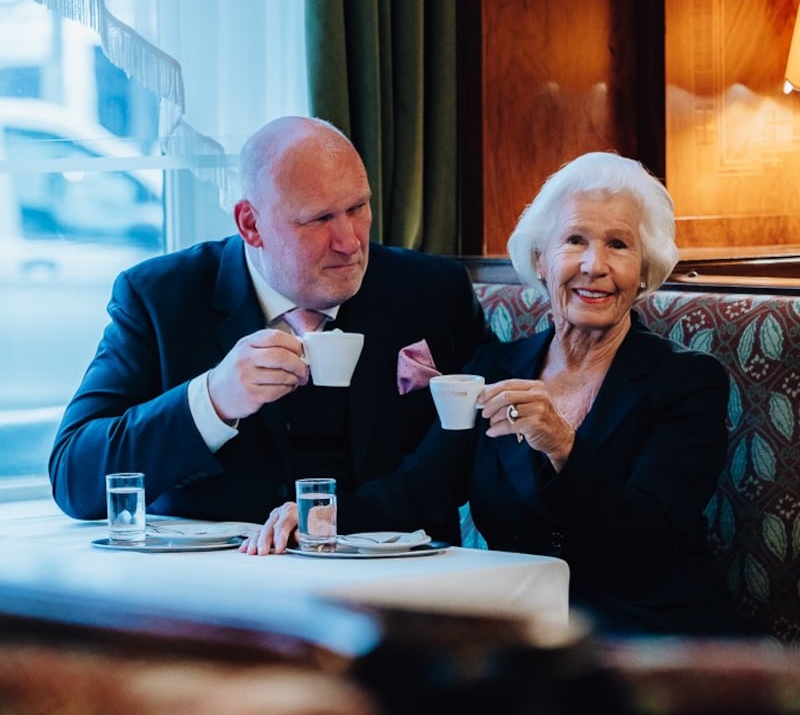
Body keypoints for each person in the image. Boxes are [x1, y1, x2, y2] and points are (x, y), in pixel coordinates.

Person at [244, 150, 739, 636]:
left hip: (651, 635)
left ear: (645, 270)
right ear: (541, 260)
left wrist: (563, 446)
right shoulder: (492, 370)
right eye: (574, 240)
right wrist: (320, 514)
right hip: (523, 629)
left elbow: (649, 540)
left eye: (619, 245)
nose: (594, 265)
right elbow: (418, 490)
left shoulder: (688, 382)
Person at [49, 116, 493, 533]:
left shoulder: (433, 292)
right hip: (220, 591)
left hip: (405, 584)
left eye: (358, 207)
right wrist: (213, 399)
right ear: (251, 224)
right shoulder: (160, 297)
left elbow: (478, 448)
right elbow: (75, 479)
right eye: (319, 219)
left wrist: (347, 517)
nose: (350, 242)